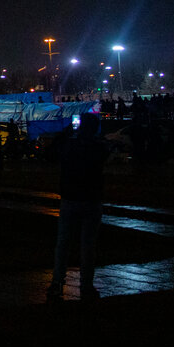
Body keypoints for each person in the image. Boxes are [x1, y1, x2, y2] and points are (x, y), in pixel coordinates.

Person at [48, 112, 109, 301]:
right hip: (91, 199)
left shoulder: (69, 147)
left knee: (63, 244)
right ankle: (86, 285)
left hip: (70, 198)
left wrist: (65, 133)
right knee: (88, 245)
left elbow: (51, 152)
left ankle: (57, 282)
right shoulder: (98, 148)